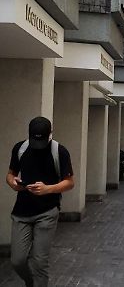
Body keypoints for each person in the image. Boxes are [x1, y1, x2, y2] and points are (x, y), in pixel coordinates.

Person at [6, 116, 74, 287]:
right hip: (21, 212)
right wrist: (13, 183)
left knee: (39, 262)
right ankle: (31, 283)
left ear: (50, 134)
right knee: (17, 261)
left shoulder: (60, 151)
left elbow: (70, 182)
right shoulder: (20, 149)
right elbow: (10, 174)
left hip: (47, 212)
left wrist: (47, 189)